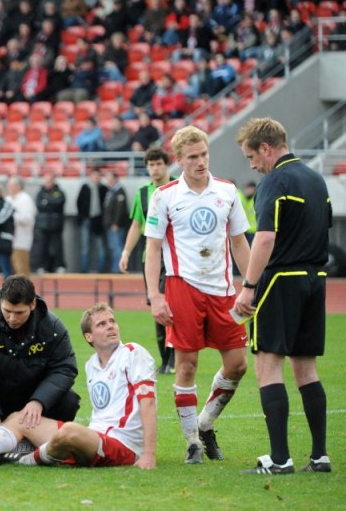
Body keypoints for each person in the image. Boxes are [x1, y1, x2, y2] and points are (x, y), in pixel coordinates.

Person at [144, 125, 251, 465]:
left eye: (204, 154)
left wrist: (251, 284)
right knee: (186, 366)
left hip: (222, 291)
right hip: (182, 287)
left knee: (237, 365)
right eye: (192, 157)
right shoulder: (164, 196)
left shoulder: (227, 191)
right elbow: (153, 248)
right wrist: (155, 295)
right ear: (179, 160)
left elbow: (238, 241)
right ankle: (191, 442)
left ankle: (205, 424)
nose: (201, 161)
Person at [234, 118, 332, 475]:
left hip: (281, 280)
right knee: (306, 366)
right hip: (316, 279)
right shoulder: (316, 179)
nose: (253, 165)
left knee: (267, 364)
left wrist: (248, 286)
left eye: (251, 157)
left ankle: (279, 459)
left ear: (266, 148)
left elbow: (264, 238)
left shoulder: (275, 181)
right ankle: (320, 456)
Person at [0, 303, 156, 470]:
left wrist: (148, 455)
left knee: (69, 431)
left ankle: (24, 458)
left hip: (123, 445)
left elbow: (148, 404)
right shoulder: (92, 365)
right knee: (20, 418)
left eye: (112, 322)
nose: (111, 327)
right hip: (95, 437)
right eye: (102, 324)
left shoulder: (132, 353)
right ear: (89, 336)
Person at [0, 275, 79, 450]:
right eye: (7, 311)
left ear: (33, 305)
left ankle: (37, 442)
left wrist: (39, 401)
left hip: (30, 399)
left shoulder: (53, 327)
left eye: (19, 313)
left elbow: (65, 368)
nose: (12, 318)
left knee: (69, 400)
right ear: (0, 302)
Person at [119, 148, 176, 374]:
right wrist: (125, 252)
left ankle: (175, 358)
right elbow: (136, 225)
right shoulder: (142, 193)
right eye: (151, 165)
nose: (155, 169)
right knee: (157, 307)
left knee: (173, 306)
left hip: (175, 257)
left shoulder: (178, 188)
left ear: (166, 165)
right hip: (151, 258)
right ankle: (166, 360)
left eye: (159, 164)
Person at [32, 173, 67, 274]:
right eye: (46, 181)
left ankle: (59, 266)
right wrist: (50, 202)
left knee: (57, 247)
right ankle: (42, 266)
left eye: (50, 180)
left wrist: (47, 200)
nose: (48, 183)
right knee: (42, 247)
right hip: (42, 225)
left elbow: (59, 202)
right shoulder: (40, 192)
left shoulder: (59, 191)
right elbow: (39, 205)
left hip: (56, 225)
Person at [76, 168, 108, 273]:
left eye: (98, 176)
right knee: (85, 247)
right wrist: (82, 216)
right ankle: (84, 270)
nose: (96, 178)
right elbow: (79, 202)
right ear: (90, 176)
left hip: (99, 221)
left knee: (101, 247)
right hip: (86, 220)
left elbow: (106, 205)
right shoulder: (85, 187)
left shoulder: (104, 188)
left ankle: (101, 269)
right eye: (94, 176)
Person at [6, 175, 37, 277]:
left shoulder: (25, 199)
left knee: (22, 269)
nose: (9, 187)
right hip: (8, 240)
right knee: (12, 271)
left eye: (11, 185)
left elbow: (28, 218)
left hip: (21, 239)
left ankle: (25, 292)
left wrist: (12, 216)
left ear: (18, 186)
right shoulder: (8, 199)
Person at [103, 171, 128, 274]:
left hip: (115, 226)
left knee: (117, 247)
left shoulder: (119, 191)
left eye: (109, 177)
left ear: (115, 178)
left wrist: (116, 223)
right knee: (113, 247)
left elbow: (120, 209)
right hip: (110, 225)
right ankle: (115, 268)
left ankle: (117, 269)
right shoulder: (111, 191)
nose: (107, 180)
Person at [238, 181, 257, 245]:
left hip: (255, 231)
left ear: (253, 189)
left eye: (248, 188)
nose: (246, 190)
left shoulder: (255, 200)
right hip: (247, 230)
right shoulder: (246, 200)